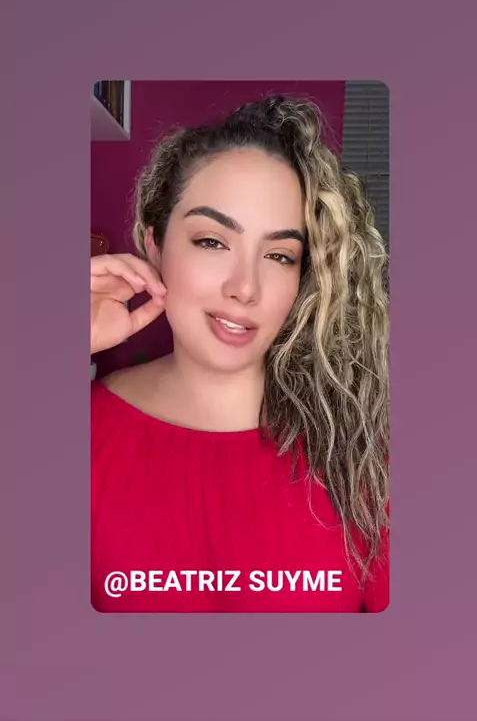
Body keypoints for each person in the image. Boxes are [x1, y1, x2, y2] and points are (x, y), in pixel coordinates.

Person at [91, 94, 389, 612]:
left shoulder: (365, 455)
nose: (245, 288)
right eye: (212, 241)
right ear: (154, 243)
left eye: (279, 255)